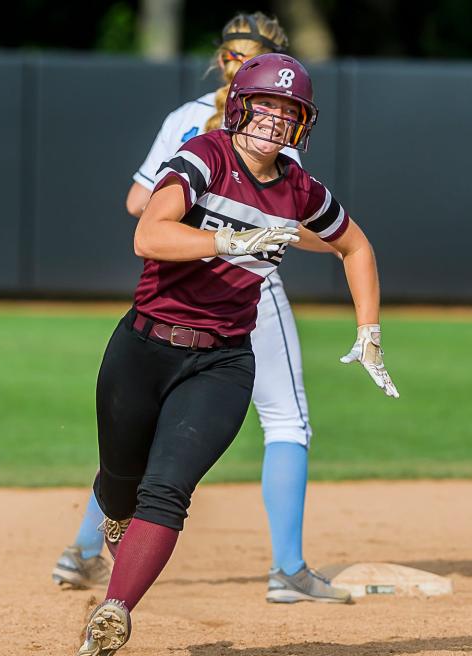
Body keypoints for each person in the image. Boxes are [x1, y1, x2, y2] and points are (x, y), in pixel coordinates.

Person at [75, 52, 399, 656]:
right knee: (121, 483)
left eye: (290, 111)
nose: (276, 120)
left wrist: (369, 328)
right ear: (240, 104)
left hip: (222, 360)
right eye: (268, 105)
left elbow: (354, 244)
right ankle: (117, 521)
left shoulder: (299, 188)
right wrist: (225, 240)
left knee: (168, 490)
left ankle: (116, 609)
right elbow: (149, 233)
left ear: (302, 125)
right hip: (144, 345)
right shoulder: (205, 154)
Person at [53, 12, 352, 605]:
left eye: (245, 53)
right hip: (241, 285)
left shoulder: (187, 119)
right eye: (238, 54)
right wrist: (250, 230)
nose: (238, 61)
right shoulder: (266, 129)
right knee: (286, 418)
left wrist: (191, 213)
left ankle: (86, 549)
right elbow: (306, 227)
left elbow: (141, 199)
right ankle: (288, 569)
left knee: (135, 429)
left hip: (176, 280)